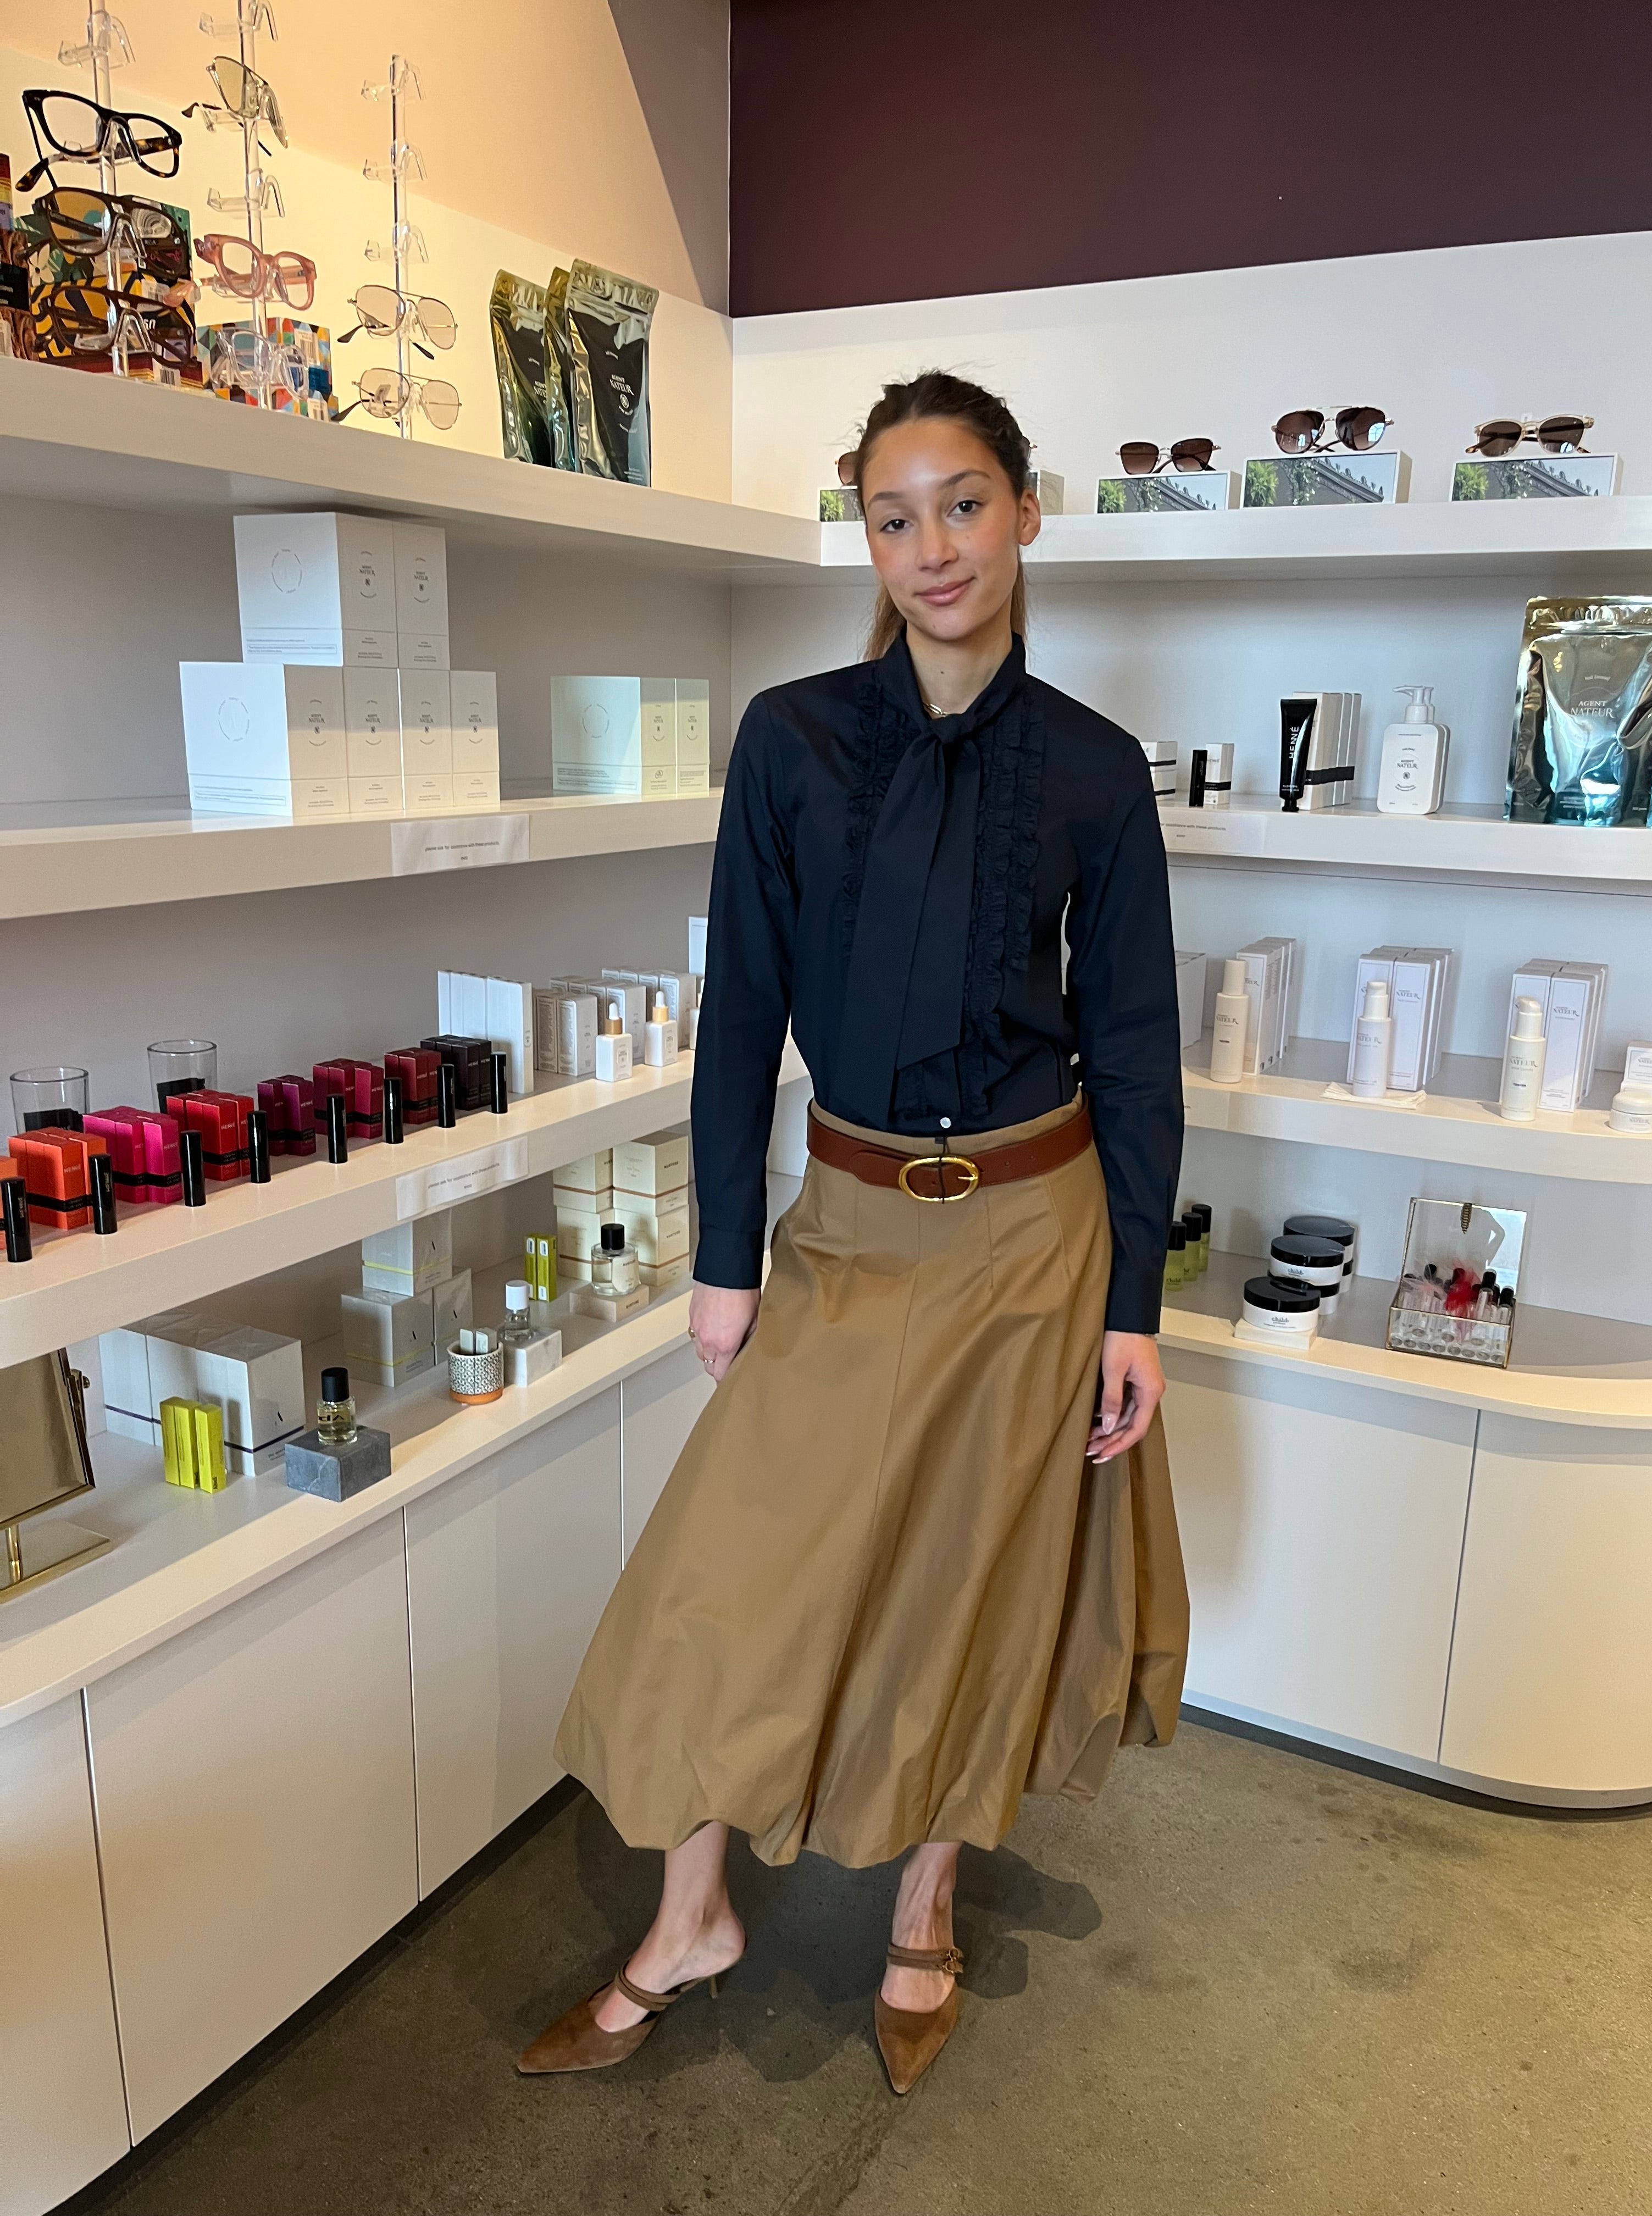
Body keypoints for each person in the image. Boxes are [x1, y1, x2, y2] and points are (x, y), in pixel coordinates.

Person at [522, 370, 1189, 2096]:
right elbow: (741, 1015)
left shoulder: (1098, 772)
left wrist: (1134, 1302)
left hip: (1034, 1239)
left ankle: (922, 1912)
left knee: (968, 1593)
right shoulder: (793, 739)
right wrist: (725, 1258)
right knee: (722, 1584)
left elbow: (1133, 1047)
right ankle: (693, 1919)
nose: (933, 547)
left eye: (963, 504)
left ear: (1025, 511)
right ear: (869, 539)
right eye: (896, 518)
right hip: (847, 1225)